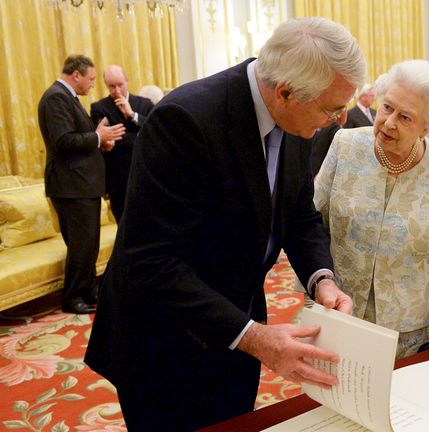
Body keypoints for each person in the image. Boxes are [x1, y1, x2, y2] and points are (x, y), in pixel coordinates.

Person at [84, 17, 364, 430]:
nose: (341, 119)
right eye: (333, 108)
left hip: (238, 322)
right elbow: (150, 262)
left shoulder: (298, 119)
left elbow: (300, 215)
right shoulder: (185, 119)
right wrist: (254, 337)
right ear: (285, 92)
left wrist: (322, 279)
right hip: (163, 342)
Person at [312, 60, 429, 361]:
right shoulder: (345, 145)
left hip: (405, 330)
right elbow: (313, 224)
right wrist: (317, 282)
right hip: (338, 311)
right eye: (387, 107)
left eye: (405, 117)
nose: (389, 122)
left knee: (399, 404)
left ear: (427, 127)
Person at [37, 54, 125, 315]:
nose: (92, 85)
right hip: (70, 185)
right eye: (91, 79)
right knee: (80, 245)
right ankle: (73, 297)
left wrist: (101, 140)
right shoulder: (55, 97)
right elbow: (63, 141)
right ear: (76, 75)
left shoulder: (69, 98)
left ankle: (88, 291)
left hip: (82, 184)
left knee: (89, 244)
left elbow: (81, 138)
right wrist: (98, 136)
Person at [90, 65, 154, 222]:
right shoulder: (99, 108)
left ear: (127, 81)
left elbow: (154, 131)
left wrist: (132, 115)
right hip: (118, 180)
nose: (117, 90)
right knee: (124, 227)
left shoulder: (145, 104)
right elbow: (106, 139)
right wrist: (140, 135)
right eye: (112, 86)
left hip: (145, 175)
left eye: (120, 84)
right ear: (106, 85)